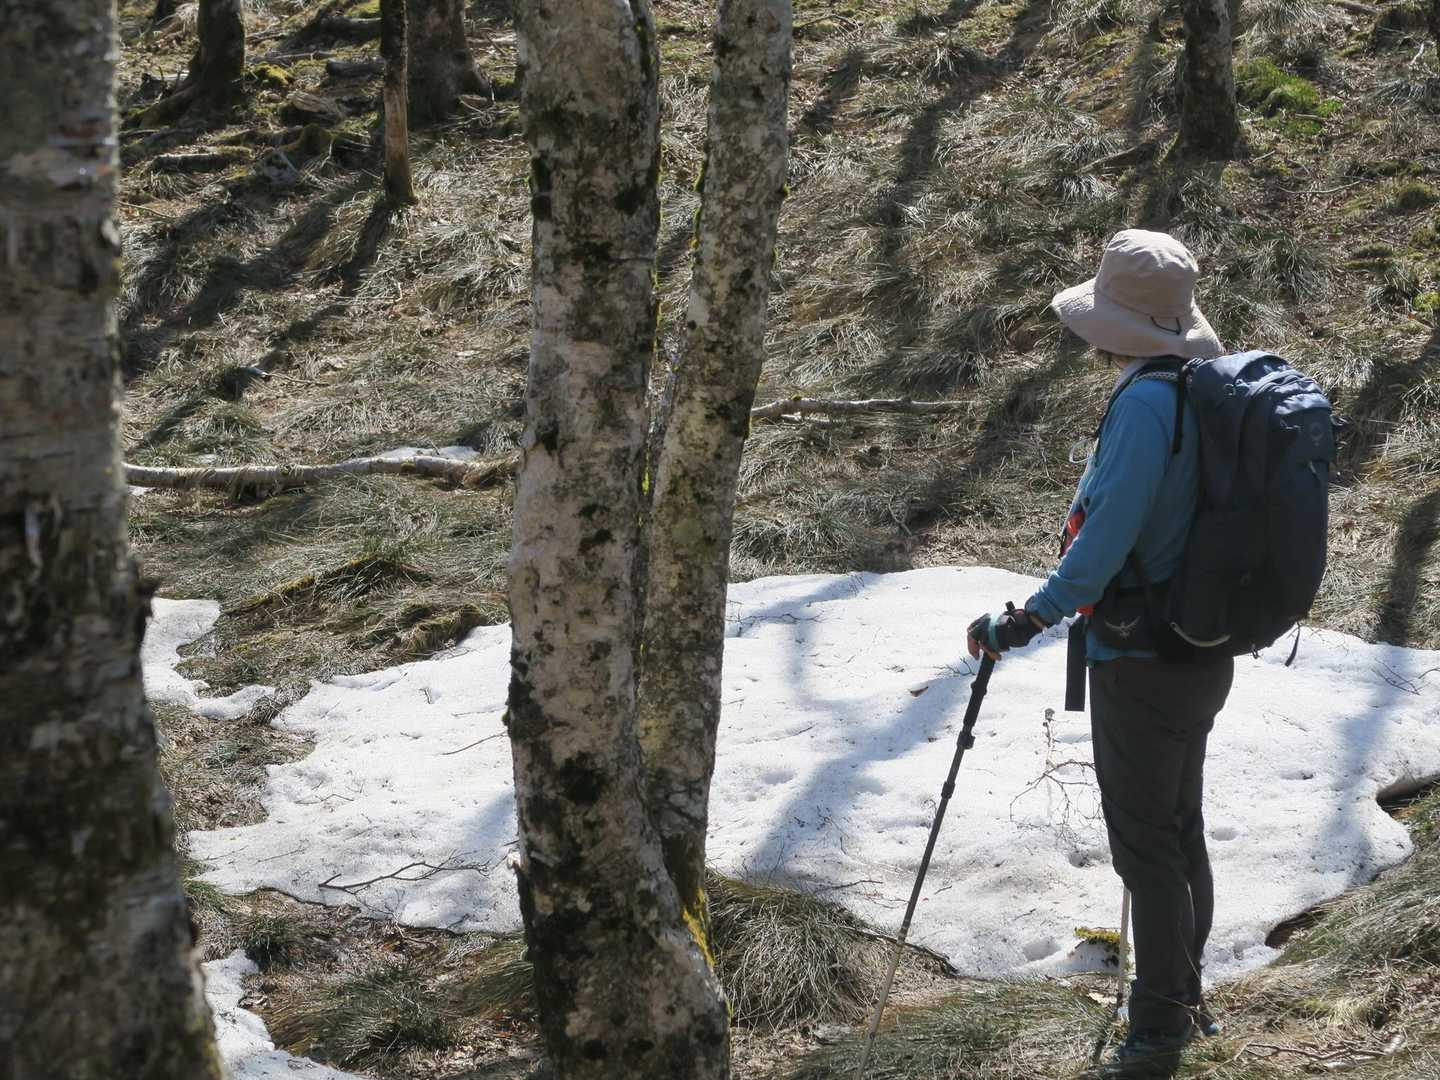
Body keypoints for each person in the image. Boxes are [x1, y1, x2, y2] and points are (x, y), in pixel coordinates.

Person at [966, 229, 1236, 1075]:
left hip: (1142, 655)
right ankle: (1180, 995)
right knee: (1178, 830)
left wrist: (1027, 618)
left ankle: (1157, 1029)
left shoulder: (1148, 403)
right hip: (1200, 646)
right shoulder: (1197, 387)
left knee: (1147, 847)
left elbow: (1106, 539)